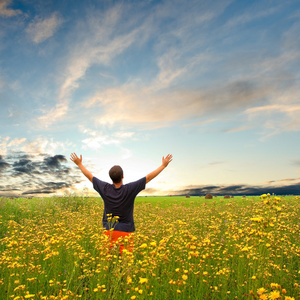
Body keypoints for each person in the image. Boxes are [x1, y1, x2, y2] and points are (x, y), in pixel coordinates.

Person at [70, 152, 173, 254]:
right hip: (126, 231)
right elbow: (148, 177)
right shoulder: (130, 189)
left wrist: (79, 164)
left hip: (109, 230)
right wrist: (163, 165)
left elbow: (90, 177)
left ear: (110, 177)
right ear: (123, 176)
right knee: (125, 262)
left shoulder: (104, 188)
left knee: (108, 261)